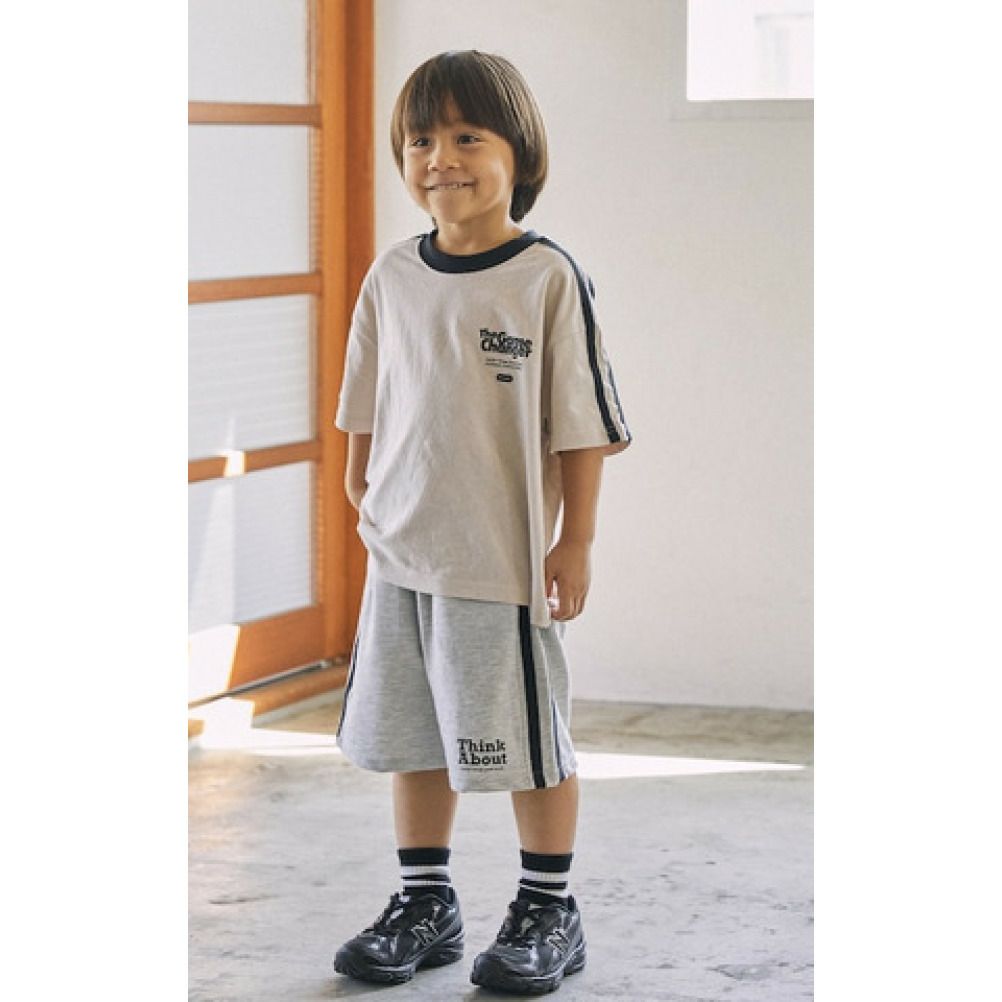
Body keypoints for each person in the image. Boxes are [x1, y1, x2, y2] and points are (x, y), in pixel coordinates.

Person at [331, 49, 632, 994]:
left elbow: (582, 423)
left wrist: (576, 539)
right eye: (421, 141)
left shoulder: (546, 278)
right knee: (415, 736)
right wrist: (360, 485)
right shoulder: (392, 274)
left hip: (499, 566)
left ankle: (549, 910)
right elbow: (365, 396)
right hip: (400, 558)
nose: (442, 160)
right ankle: (426, 902)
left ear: (519, 152)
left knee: (529, 744)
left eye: (468, 137)